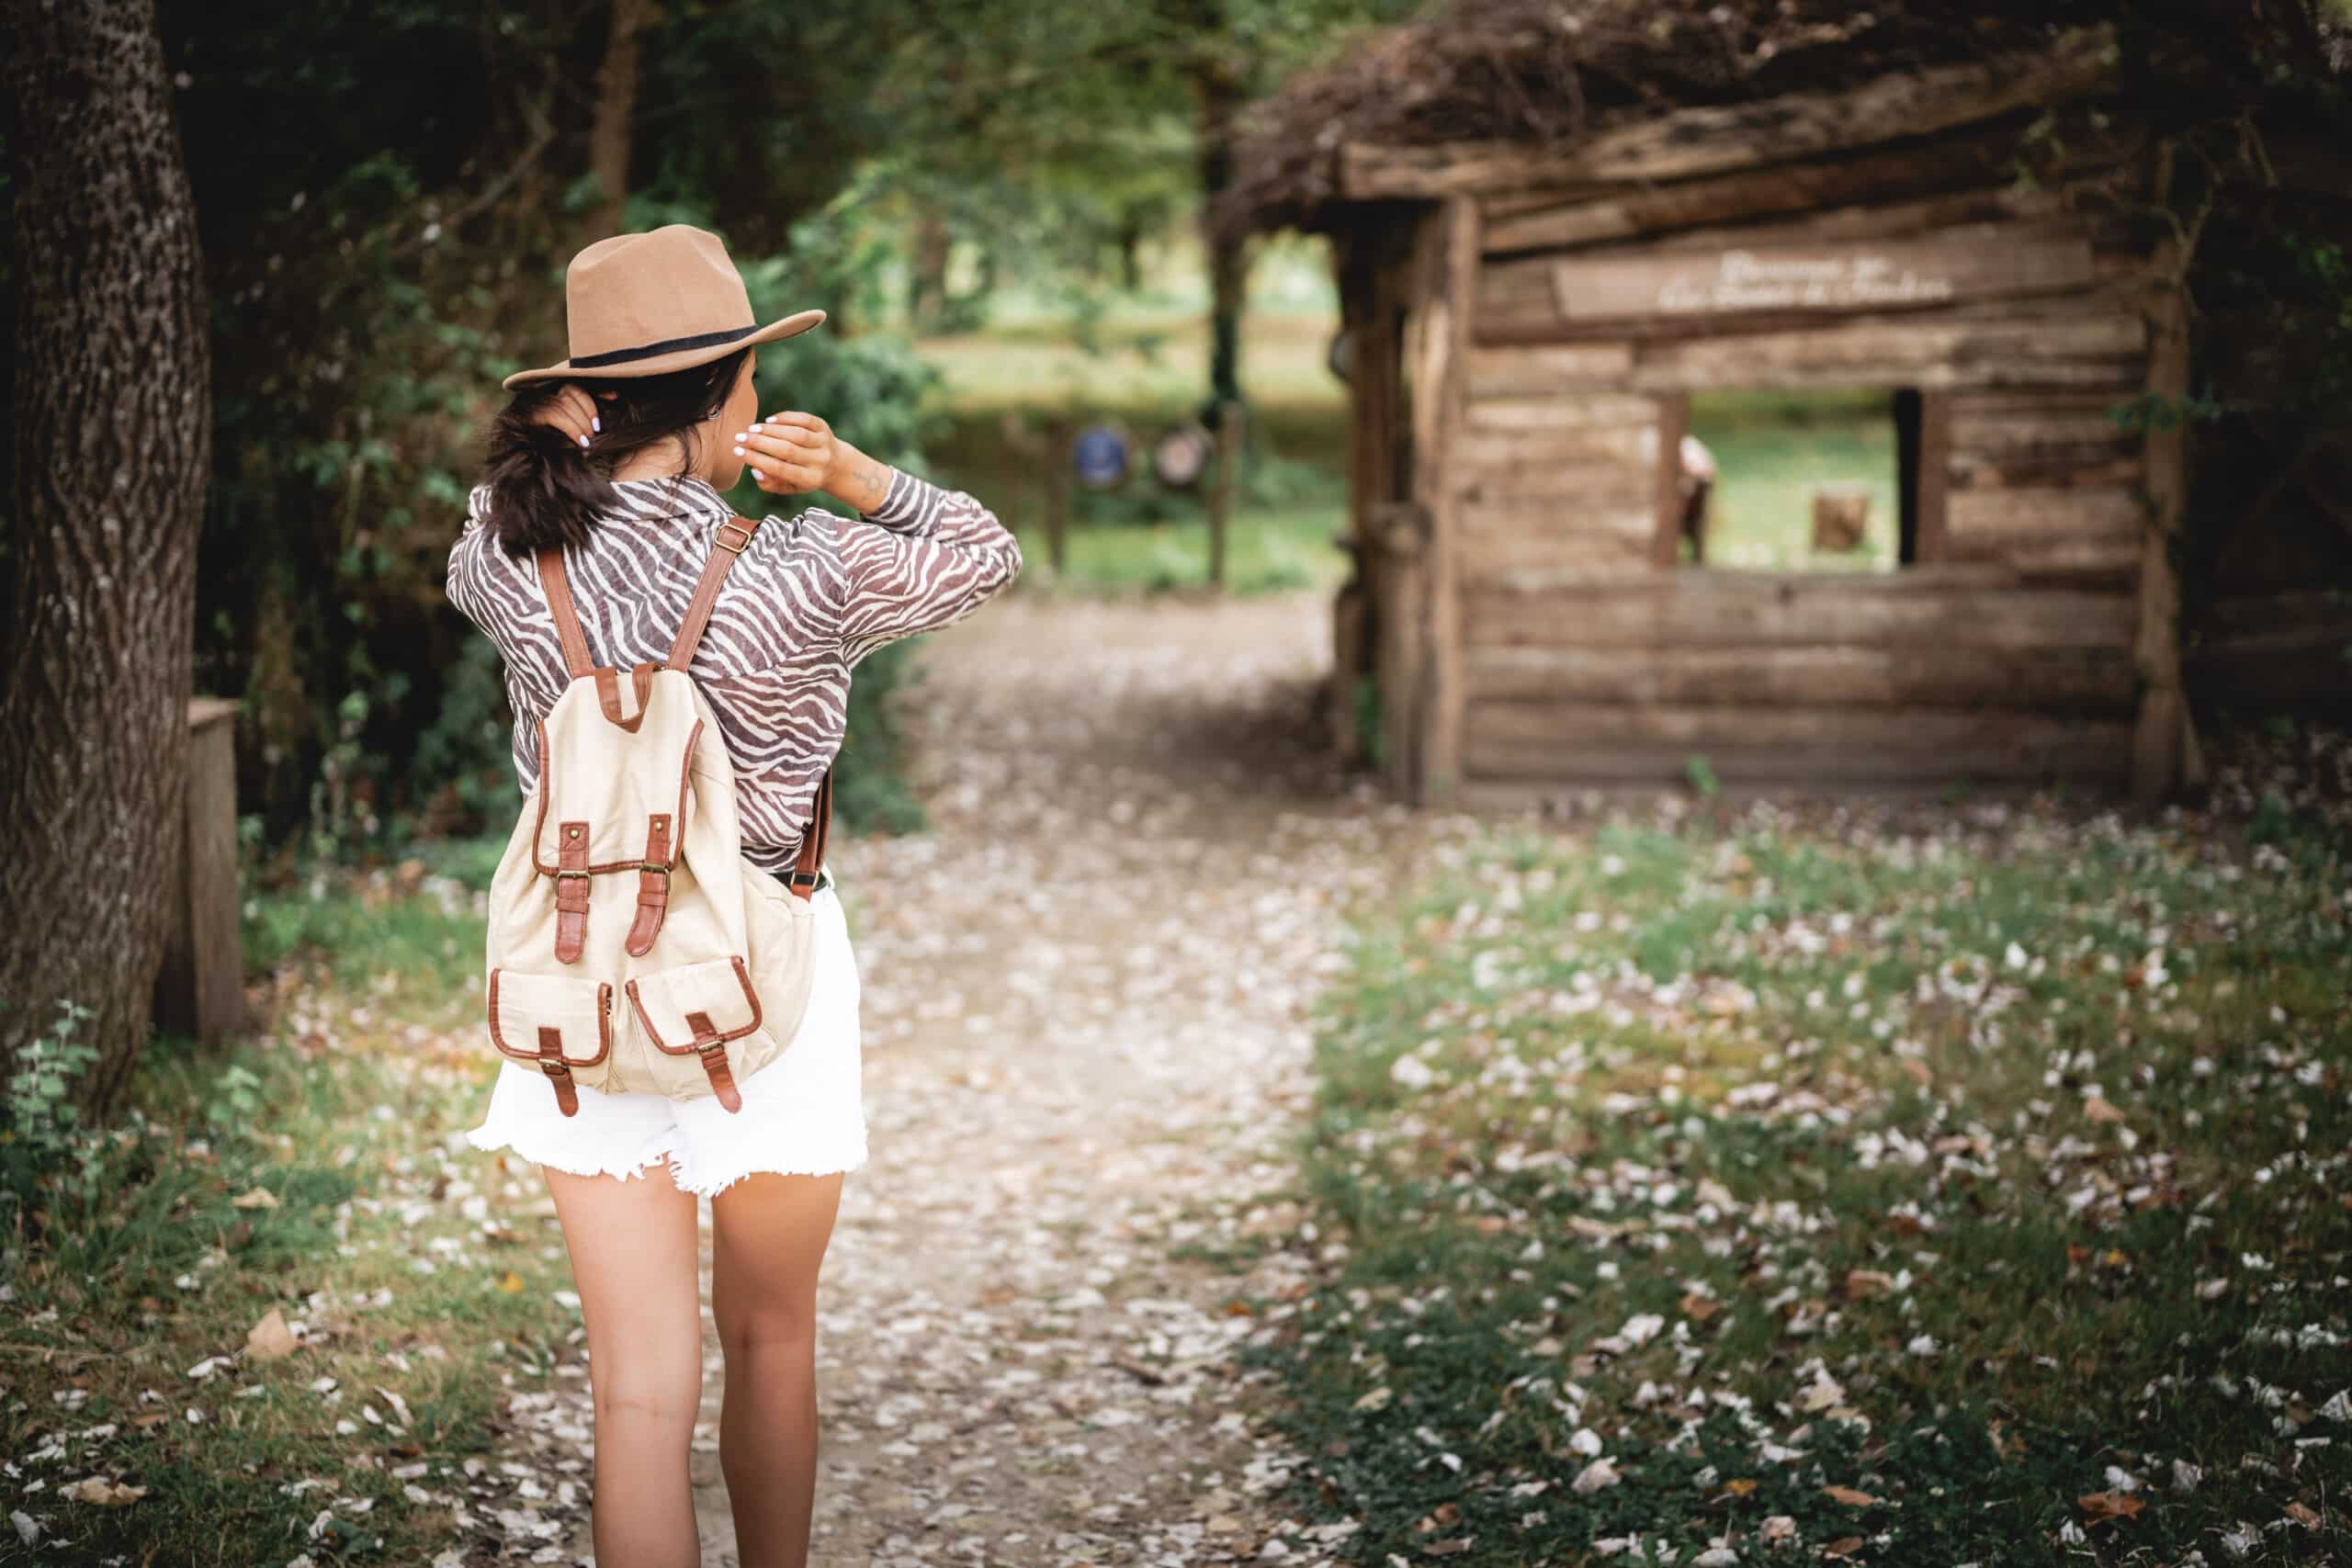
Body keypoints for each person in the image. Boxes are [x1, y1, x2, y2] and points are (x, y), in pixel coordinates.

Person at [443, 224, 1021, 1568]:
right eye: (749, 376)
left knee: (636, 1392)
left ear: (585, 403)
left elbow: (485, 515)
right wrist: (861, 476)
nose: (759, 401)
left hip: (576, 990)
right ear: (718, 398)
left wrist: (560, 431)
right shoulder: (805, 567)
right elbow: (984, 552)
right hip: (769, 986)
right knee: (770, 1335)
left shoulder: (513, 569)